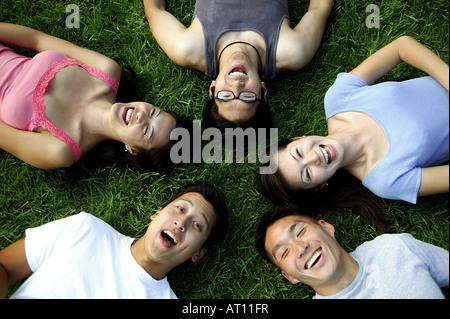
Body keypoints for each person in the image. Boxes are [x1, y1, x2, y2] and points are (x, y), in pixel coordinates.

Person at [256, 36, 449, 222]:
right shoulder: (384, 180)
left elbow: (402, 47)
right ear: (318, 187)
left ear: (298, 138)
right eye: (307, 174)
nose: (313, 158)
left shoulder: (338, 99)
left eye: (298, 153)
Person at [0, 22, 192, 172]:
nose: (142, 116)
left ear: (133, 149)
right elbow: (37, 39)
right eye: (153, 112)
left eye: (147, 130)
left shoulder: (61, 150)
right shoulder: (106, 70)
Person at [0, 181, 228, 298]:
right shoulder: (85, 229)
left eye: (197, 224)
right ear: (157, 213)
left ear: (199, 252)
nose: (182, 222)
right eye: (180, 209)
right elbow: (4, 266)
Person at [143, 0, 334, 131]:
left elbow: (155, 10)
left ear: (212, 89)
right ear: (263, 91)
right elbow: (319, 8)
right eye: (247, 97)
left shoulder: (188, 48)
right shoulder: (292, 51)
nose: (236, 85)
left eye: (225, 96)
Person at [255, 205, 449, 299]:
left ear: (327, 228)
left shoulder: (394, 247)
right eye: (284, 252)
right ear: (289, 276)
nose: (300, 247)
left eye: (300, 231)